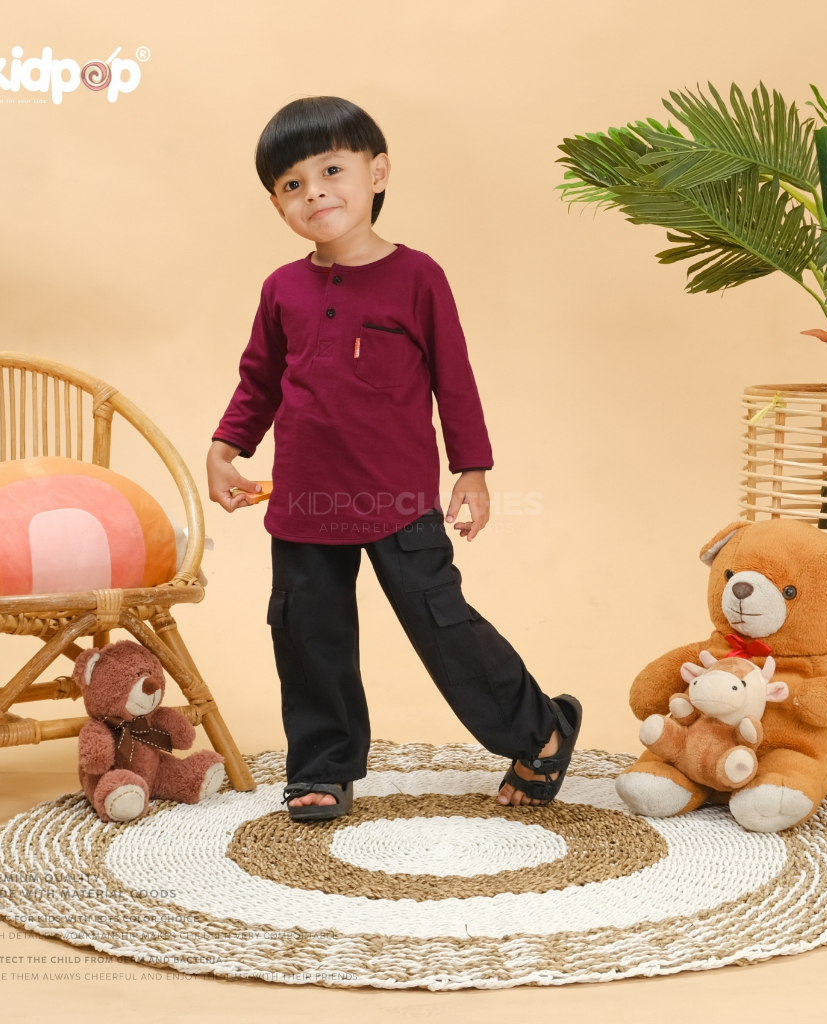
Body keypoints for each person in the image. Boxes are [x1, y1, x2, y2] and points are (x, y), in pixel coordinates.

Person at [207, 96, 580, 821]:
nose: (314, 192)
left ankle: (541, 728)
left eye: (331, 170)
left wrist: (472, 471)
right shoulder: (281, 289)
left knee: (443, 624)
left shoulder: (418, 277)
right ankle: (322, 767)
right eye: (291, 184)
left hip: (398, 498)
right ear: (278, 206)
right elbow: (259, 380)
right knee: (306, 633)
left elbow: (454, 378)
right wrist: (225, 448)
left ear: (376, 173)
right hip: (304, 501)